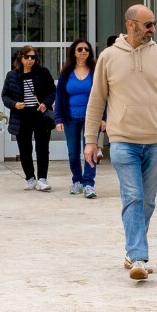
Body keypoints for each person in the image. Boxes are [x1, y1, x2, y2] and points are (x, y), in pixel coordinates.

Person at [84, 4, 157, 281]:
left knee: (147, 202)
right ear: (131, 24)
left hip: (156, 140)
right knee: (133, 197)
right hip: (122, 140)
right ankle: (139, 257)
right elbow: (96, 100)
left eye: (154, 24)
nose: (153, 29)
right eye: (148, 25)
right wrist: (91, 141)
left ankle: (131, 250)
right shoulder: (109, 57)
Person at [3, 46, 56, 189]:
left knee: (42, 148)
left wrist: (45, 103)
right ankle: (30, 178)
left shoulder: (42, 73)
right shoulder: (12, 75)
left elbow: (52, 91)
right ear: (21, 58)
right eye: (27, 57)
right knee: (25, 149)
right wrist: (14, 104)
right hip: (22, 115)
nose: (30, 60)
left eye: (33, 57)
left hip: (40, 114)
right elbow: (5, 96)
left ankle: (43, 179)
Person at [54, 39, 97, 196]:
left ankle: (89, 184)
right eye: (80, 49)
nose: (83, 51)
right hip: (70, 117)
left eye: (86, 49)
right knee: (73, 152)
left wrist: (104, 117)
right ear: (74, 52)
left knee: (91, 151)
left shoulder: (95, 71)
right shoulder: (66, 73)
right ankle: (77, 181)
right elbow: (59, 96)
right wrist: (58, 119)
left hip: (92, 118)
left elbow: (103, 95)